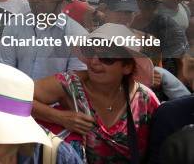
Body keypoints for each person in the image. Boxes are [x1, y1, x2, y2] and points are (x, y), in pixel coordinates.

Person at [32, 23, 160, 163]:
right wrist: (60, 117)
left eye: (106, 57)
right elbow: (18, 98)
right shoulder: (71, 84)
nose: (94, 61)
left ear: (127, 66)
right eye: (91, 52)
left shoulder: (145, 100)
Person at [0, 0, 88, 80]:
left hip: (55, 96)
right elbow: (5, 69)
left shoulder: (77, 35)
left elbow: (75, 82)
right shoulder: (14, 24)